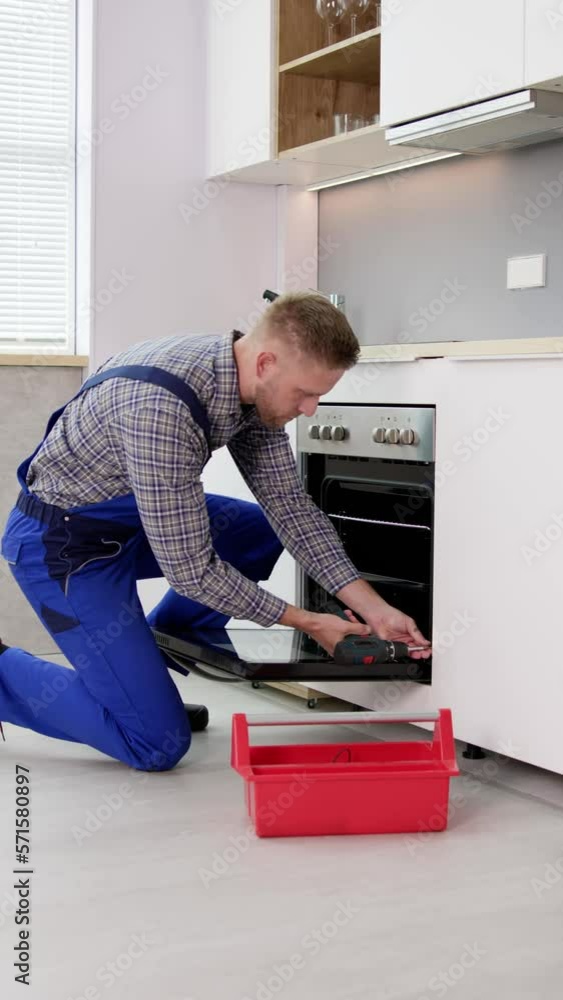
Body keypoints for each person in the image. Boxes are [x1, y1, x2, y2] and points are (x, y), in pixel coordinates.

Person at [0, 292, 430, 769]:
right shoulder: (160, 409)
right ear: (266, 362)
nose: (311, 410)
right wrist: (310, 622)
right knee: (157, 744)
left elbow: (290, 507)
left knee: (258, 530)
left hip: (129, 518)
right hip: (63, 549)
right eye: (305, 394)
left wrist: (372, 606)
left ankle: (156, 657)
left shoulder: (244, 382)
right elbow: (191, 574)